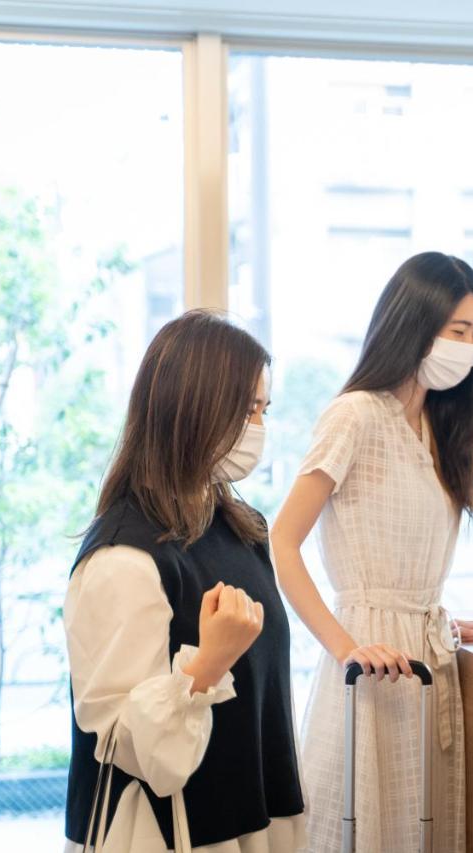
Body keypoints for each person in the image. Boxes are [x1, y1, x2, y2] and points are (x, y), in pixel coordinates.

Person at [271, 252, 473, 852]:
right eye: (457, 331)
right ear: (413, 324)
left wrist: (433, 616)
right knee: (362, 828)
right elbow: (282, 542)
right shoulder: (356, 416)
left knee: (418, 829)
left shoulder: (439, 429)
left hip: (423, 655)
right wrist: (346, 646)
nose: (469, 348)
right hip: (369, 662)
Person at [64, 310, 306, 851]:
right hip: (172, 830)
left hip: (254, 813)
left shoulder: (241, 527)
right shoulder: (123, 559)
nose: (258, 430)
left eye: (264, 411)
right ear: (193, 407)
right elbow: (128, 745)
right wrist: (207, 664)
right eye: (247, 410)